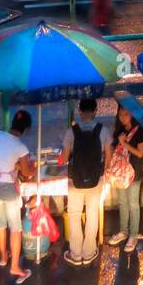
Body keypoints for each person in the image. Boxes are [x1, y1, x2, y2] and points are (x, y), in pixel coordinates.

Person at [0, 109, 35, 283]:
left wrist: (17, 166)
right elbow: (27, 173)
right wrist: (32, 167)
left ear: (12, 123)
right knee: (15, 227)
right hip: (6, 186)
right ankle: (14, 267)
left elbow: (2, 157)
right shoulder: (22, 148)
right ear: (26, 130)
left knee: (0, 221)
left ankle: (3, 258)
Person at [61, 97, 110, 266]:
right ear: (95, 111)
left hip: (75, 180)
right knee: (92, 214)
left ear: (80, 111)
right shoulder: (103, 130)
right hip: (96, 179)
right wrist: (103, 173)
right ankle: (89, 252)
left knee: (74, 215)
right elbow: (108, 157)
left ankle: (76, 254)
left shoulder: (71, 131)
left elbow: (64, 158)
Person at [106, 103, 143, 251]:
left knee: (133, 204)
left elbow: (140, 153)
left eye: (126, 114)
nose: (123, 117)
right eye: (120, 114)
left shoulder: (140, 131)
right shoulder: (119, 131)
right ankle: (123, 231)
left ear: (133, 114)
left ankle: (133, 235)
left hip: (134, 173)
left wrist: (124, 143)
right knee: (122, 202)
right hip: (120, 174)